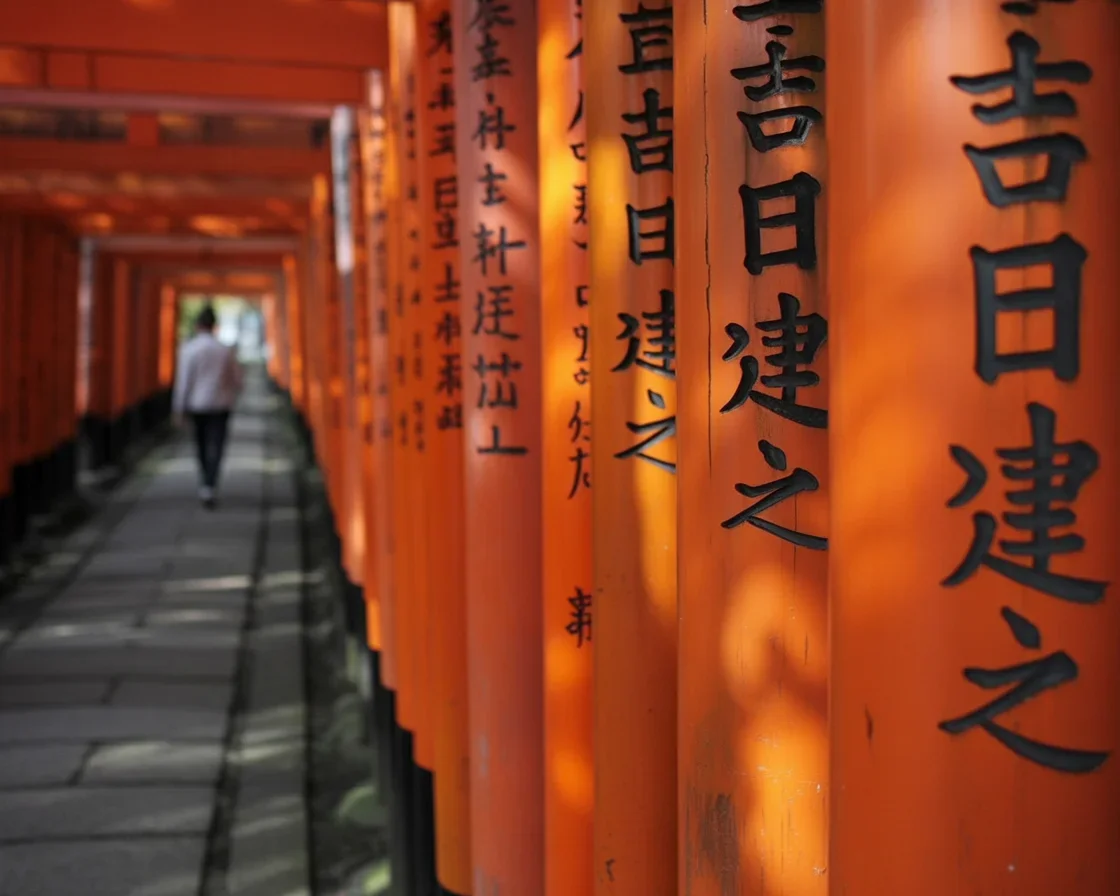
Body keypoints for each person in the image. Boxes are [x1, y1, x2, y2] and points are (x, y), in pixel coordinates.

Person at [172, 305, 243, 508]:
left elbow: (183, 382)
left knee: (201, 443)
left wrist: (179, 409)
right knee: (218, 444)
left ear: (197, 325)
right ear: (214, 326)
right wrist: (233, 391)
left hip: (198, 404)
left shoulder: (189, 349)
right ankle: (211, 482)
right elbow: (237, 379)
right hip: (221, 403)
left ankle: (205, 481)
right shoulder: (224, 350)